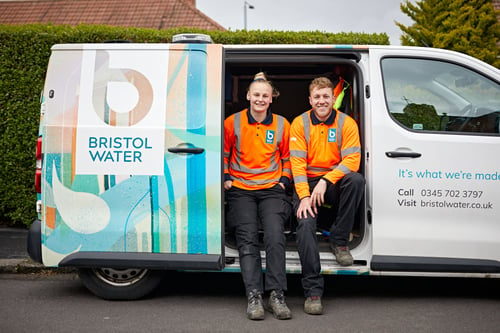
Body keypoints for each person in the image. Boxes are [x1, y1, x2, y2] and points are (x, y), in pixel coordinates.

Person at [289, 77, 364, 315]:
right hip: (306, 183)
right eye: (317, 97)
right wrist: (304, 196)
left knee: (356, 180)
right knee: (305, 223)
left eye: (326, 96)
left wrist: (326, 180)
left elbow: (352, 160)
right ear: (310, 100)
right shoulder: (299, 123)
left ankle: (339, 241)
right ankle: (313, 290)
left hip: (332, 180)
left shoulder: (347, 123)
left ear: (333, 98)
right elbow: (297, 165)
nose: (322, 101)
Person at [224, 72, 292, 320]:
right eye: (256, 95)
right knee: (248, 239)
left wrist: (284, 180)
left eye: (265, 95)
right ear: (248, 96)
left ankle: (277, 294)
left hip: (272, 189)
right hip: (241, 189)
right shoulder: (232, 122)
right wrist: (225, 178)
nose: (260, 99)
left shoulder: (282, 124)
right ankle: (254, 296)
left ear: (271, 98)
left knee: (275, 237)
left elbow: (287, 157)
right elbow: (223, 152)